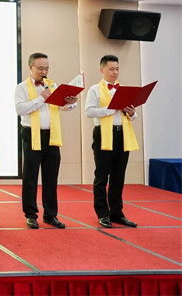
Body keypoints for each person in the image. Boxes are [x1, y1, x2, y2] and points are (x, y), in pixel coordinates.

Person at [14, 52, 77, 229]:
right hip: (31, 134)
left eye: (47, 68)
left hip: (52, 135)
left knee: (51, 177)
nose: (44, 72)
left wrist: (70, 102)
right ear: (30, 67)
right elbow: (20, 109)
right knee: (30, 177)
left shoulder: (52, 85)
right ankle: (31, 215)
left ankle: (51, 214)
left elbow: (61, 107)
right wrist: (41, 98)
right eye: (40, 68)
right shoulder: (21, 87)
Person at [85, 54, 139, 228]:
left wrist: (132, 113)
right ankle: (102, 213)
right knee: (101, 176)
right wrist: (109, 109)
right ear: (102, 70)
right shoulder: (94, 89)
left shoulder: (124, 90)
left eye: (117, 69)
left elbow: (133, 116)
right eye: (111, 69)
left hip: (122, 134)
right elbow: (89, 111)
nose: (115, 72)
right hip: (103, 134)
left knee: (118, 176)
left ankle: (117, 213)